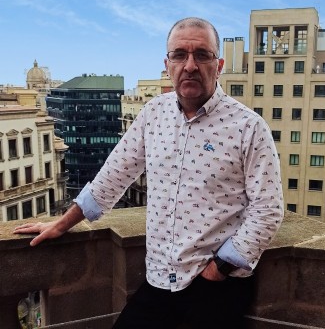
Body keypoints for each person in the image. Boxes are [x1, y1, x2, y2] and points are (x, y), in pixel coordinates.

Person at [14, 17, 284, 329]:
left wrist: (217, 269)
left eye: (202, 55)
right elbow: (113, 176)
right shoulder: (153, 113)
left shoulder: (249, 127)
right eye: (179, 55)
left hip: (216, 288)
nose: (190, 65)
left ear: (218, 65)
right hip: (159, 280)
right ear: (167, 65)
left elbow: (268, 209)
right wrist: (62, 224)